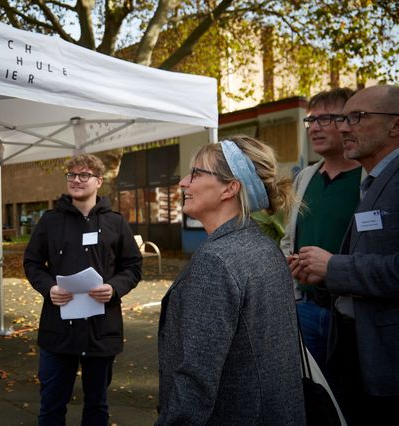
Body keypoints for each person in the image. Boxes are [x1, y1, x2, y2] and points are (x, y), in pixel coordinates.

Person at [157, 136, 305, 425]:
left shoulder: (217, 261)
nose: (184, 182)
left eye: (196, 173)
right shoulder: (264, 247)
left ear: (230, 188)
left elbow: (195, 378)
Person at [294, 84, 399, 425]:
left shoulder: (378, 178)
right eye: (314, 119)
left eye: (354, 117)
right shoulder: (373, 180)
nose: (341, 127)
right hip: (329, 317)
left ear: (394, 126)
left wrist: (333, 268)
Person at [23, 153, 142, 426]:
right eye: (72, 175)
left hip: (101, 331)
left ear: (99, 181)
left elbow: (133, 267)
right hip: (58, 330)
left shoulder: (116, 222)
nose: (77, 180)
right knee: (52, 405)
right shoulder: (50, 220)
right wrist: (48, 287)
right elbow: (32, 263)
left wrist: (114, 288)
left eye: (84, 175)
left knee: (97, 405)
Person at [280, 87, 361, 373]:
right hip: (305, 308)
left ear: (350, 122)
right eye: (311, 120)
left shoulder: (368, 178)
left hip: (351, 315)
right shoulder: (305, 177)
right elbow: (289, 238)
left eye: (326, 119)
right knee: (312, 397)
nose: (314, 127)